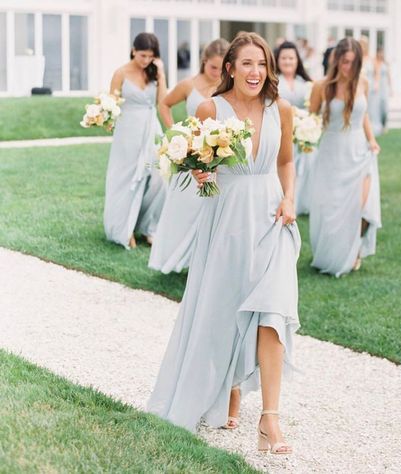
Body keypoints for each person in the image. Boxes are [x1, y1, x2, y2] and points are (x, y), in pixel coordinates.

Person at [147, 32, 300, 455]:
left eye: (262, 64)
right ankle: (227, 385)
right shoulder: (211, 108)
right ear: (229, 67)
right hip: (228, 221)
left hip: (272, 219)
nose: (256, 72)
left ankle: (270, 419)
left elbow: (286, 161)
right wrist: (201, 172)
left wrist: (289, 199)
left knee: (272, 311)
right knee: (225, 308)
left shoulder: (281, 109)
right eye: (247, 63)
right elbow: (199, 165)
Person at [149, 38, 229, 273]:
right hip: (190, 155)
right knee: (183, 209)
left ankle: (203, 263)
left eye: (223, 67)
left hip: (217, 156)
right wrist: (175, 133)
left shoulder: (229, 87)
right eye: (213, 67)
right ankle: (175, 258)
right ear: (204, 62)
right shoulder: (188, 85)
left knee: (211, 210)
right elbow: (164, 104)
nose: (217, 72)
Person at [308, 37, 381, 276]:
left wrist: (371, 140)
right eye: (344, 61)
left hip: (359, 150)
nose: (347, 67)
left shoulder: (364, 83)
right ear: (336, 59)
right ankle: (332, 253)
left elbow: (364, 114)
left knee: (361, 206)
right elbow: (312, 119)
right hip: (331, 151)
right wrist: (305, 134)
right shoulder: (322, 86)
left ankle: (354, 249)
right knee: (331, 206)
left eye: (352, 62)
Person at [104, 32, 168, 249]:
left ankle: (149, 227)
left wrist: (161, 74)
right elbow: (110, 104)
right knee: (128, 178)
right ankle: (124, 228)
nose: (146, 60)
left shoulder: (154, 72)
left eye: (150, 56)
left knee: (160, 176)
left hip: (151, 130)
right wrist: (104, 118)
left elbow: (163, 102)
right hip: (127, 132)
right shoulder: (120, 73)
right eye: (142, 55)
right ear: (133, 50)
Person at [275, 40, 314, 215]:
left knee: (306, 167)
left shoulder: (305, 83)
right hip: (280, 132)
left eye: (291, 58)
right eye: (284, 58)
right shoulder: (274, 82)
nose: (288, 62)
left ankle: (303, 202)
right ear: (278, 60)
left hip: (302, 133)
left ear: (297, 60)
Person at [370, 47, 392, 135]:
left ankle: (385, 124)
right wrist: (376, 85)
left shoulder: (385, 63)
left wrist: (391, 88)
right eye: (380, 53)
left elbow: (389, 76)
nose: (381, 54)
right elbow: (376, 75)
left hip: (384, 87)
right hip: (378, 87)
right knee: (378, 107)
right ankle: (378, 125)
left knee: (385, 107)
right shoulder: (375, 62)